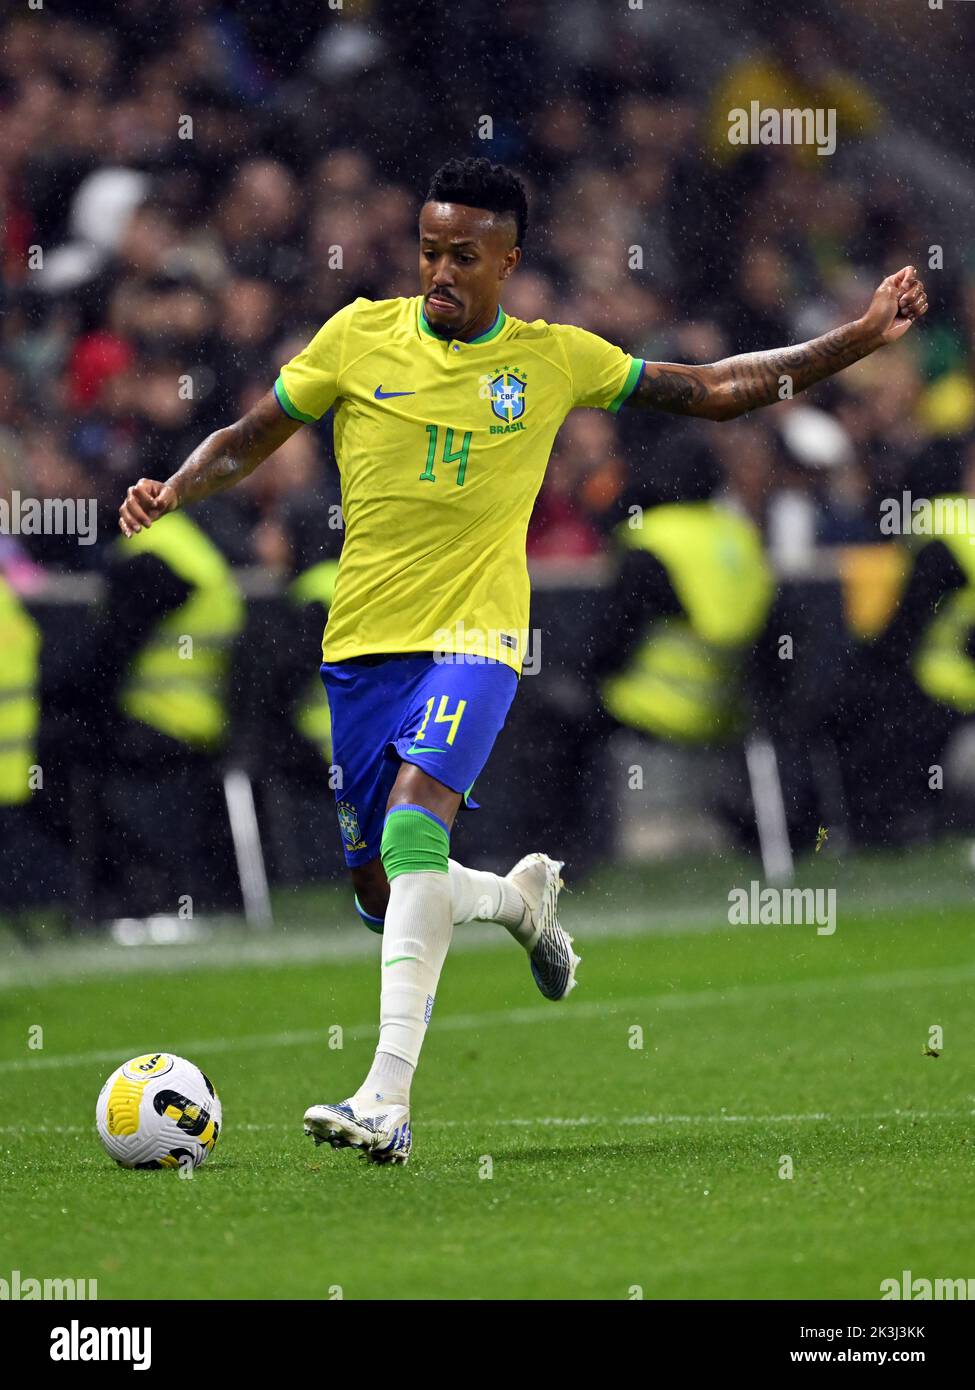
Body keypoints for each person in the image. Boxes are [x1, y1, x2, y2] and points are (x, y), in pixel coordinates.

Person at [118, 157, 928, 1164]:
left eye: (464, 255)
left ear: (509, 260)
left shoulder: (554, 359)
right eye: (428, 251)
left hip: (479, 638)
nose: (440, 272)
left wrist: (854, 336)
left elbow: (714, 389)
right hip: (362, 647)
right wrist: (177, 487)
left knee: (415, 831)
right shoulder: (357, 336)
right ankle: (516, 900)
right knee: (382, 893)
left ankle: (386, 1098)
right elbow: (250, 435)